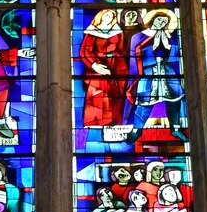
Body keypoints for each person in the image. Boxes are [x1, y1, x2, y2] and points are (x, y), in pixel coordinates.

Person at [125, 9, 187, 143]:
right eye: (159, 20)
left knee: (175, 99)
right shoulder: (139, 36)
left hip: (167, 70)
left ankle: (175, 128)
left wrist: (169, 45)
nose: (161, 23)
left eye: (165, 21)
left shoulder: (170, 37)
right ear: (152, 20)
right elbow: (135, 52)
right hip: (148, 71)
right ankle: (137, 130)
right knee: (145, 101)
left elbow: (176, 56)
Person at [79, 9, 128, 126]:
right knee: (98, 94)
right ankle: (97, 123)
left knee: (117, 93)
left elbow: (120, 48)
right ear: (100, 16)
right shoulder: (92, 32)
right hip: (98, 65)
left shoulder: (117, 31)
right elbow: (85, 51)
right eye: (106, 15)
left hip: (117, 65)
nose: (109, 18)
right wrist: (95, 65)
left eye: (111, 16)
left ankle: (116, 122)